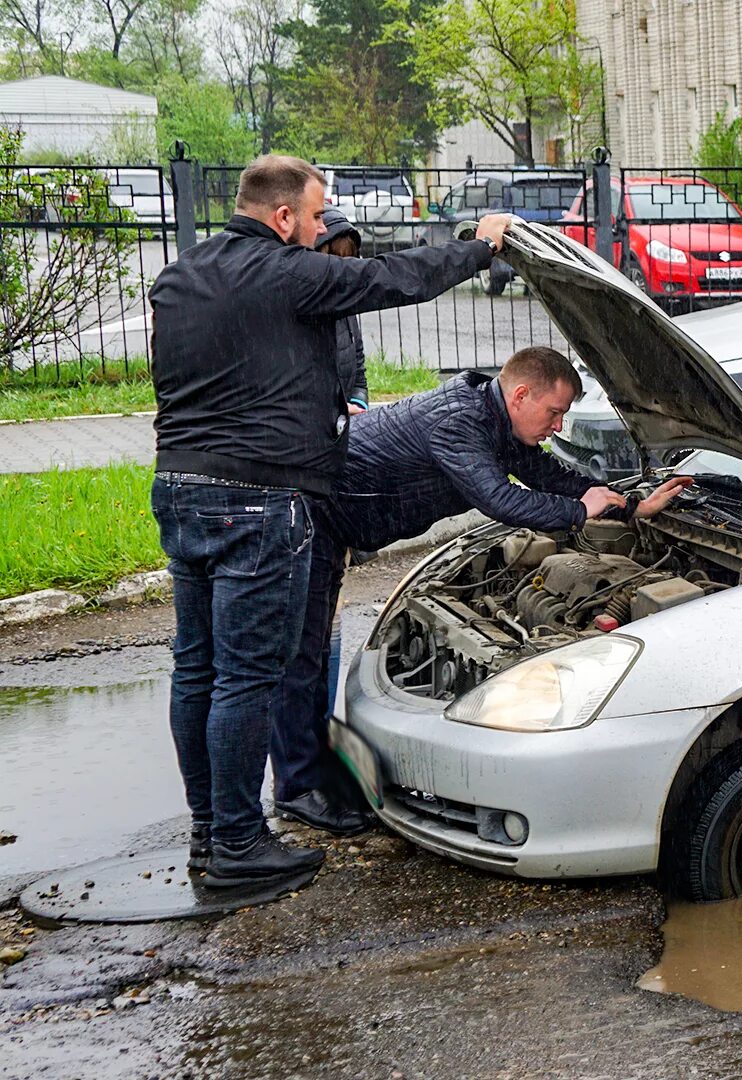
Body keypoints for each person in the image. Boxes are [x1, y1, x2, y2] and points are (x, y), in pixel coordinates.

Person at [149, 152, 514, 890]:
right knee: (248, 677)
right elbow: (394, 279)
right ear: (282, 216)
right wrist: (482, 245)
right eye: (315, 217)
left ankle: (208, 835)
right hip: (260, 498)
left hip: (179, 488)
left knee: (198, 668)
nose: (320, 231)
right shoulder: (288, 271)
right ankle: (239, 849)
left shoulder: (179, 277)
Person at [268, 346, 692, 831]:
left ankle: (312, 769)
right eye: (554, 412)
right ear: (520, 394)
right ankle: (298, 789)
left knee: (311, 653)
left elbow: (552, 476)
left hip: (330, 522)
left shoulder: (499, 420)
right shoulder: (459, 423)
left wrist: (631, 506)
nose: (557, 426)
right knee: (301, 656)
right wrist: (580, 513)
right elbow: (498, 499)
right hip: (308, 516)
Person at [314, 209, 370, 415]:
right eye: (334, 259)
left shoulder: (345, 308)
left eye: (349, 260)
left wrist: (358, 404)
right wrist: (330, 411)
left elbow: (359, 372)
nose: (342, 270)